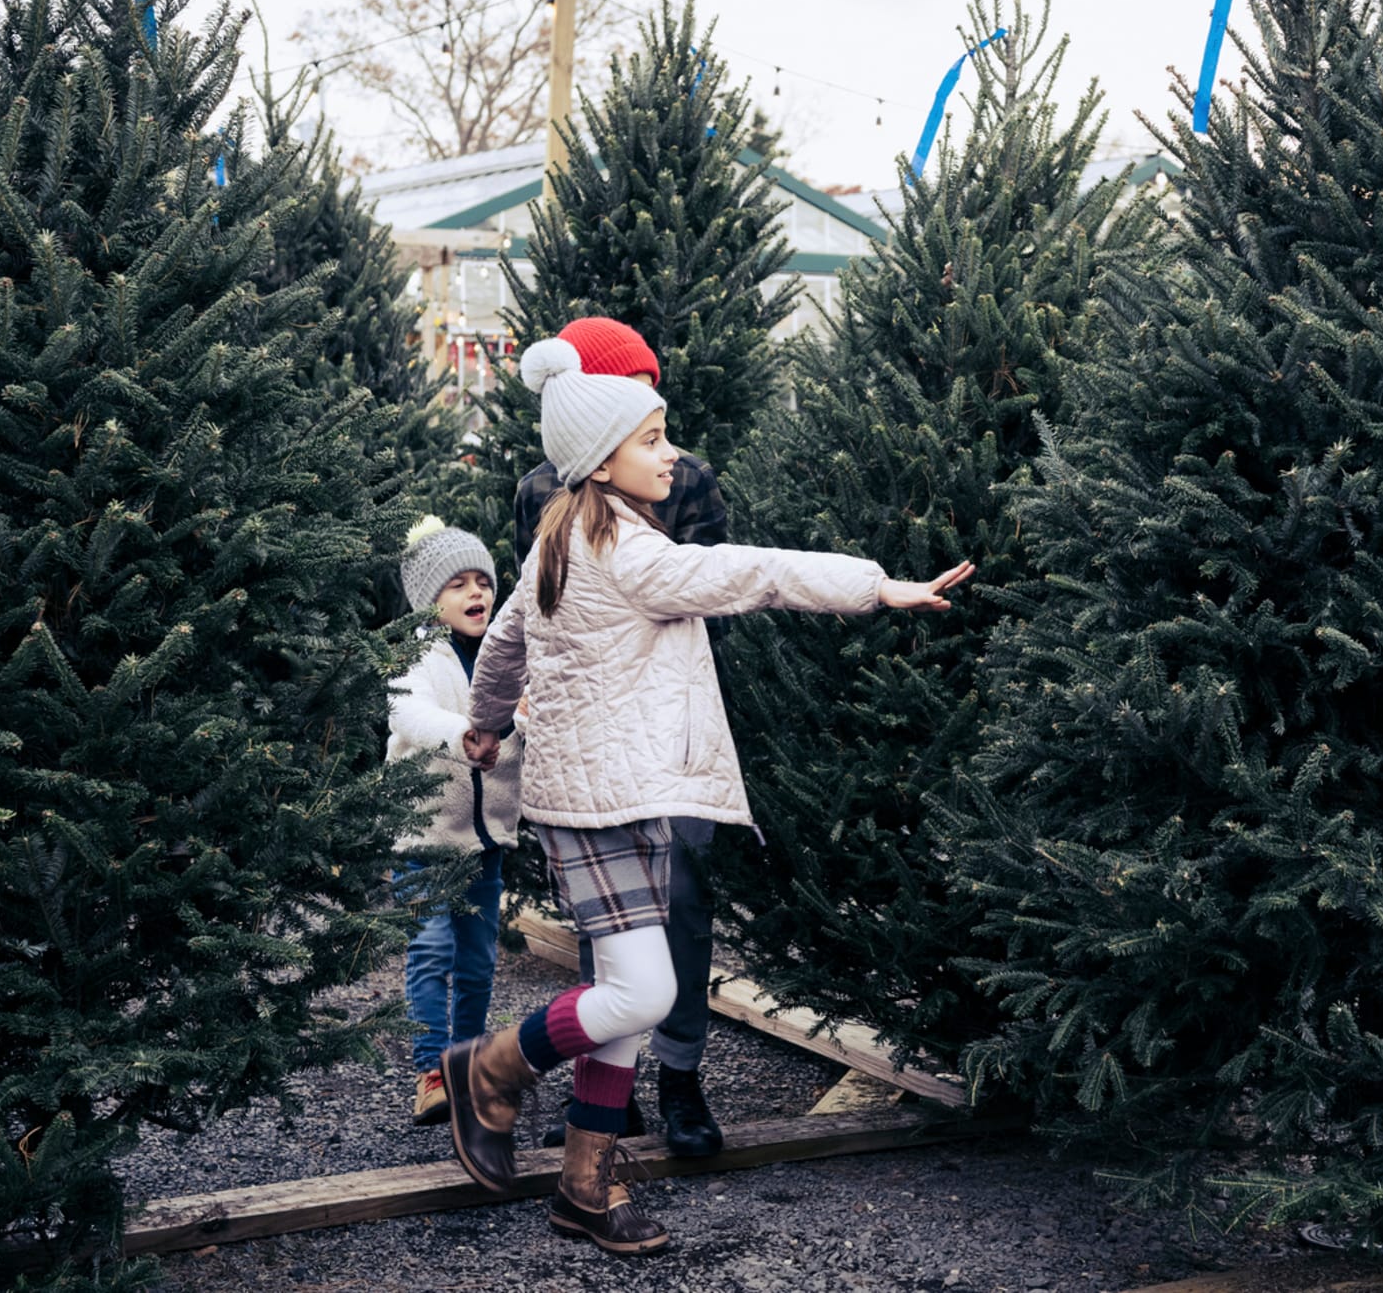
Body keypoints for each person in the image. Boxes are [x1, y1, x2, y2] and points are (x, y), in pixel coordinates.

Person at [438, 336, 971, 1257]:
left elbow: (505, 647)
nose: (671, 453)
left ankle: (583, 1189)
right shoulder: (631, 555)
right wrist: (879, 587)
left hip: (618, 793)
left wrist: (487, 724)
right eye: (652, 440)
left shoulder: (559, 538)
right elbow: (752, 572)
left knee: (622, 998)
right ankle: (490, 1065)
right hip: (603, 800)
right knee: (646, 990)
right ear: (601, 461)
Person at [510, 316, 728, 1157]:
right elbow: (535, 611)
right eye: (630, 387)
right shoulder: (542, 489)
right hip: (592, 734)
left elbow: (716, 590)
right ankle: (613, 1084)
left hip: (672, 727)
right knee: (619, 915)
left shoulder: (690, 478)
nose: (650, 409)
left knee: (684, 897)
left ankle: (682, 1077)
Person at [383, 517, 523, 1128]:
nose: (477, 594)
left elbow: (530, 713)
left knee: (475, 958)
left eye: (483, 583)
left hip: (485, 837)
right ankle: (430, 1071)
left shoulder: (507, 653)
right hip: (425, 836)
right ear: (429, 600)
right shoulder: (415, 655)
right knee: (431, 945)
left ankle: (467, 1064)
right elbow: (408, 713)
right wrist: (461, 735)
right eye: (459, 585)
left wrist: (518, 721)